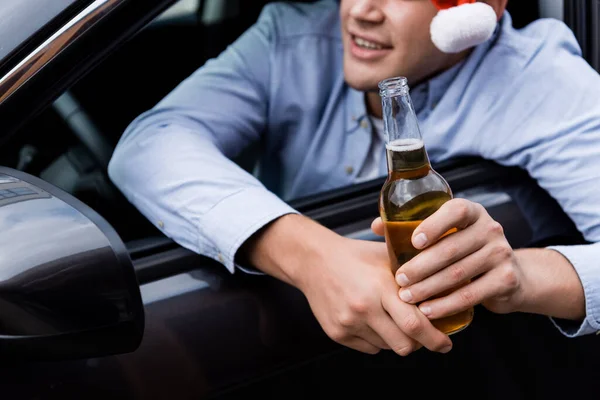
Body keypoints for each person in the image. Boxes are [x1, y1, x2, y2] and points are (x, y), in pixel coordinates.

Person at [108, 0, 600, 357]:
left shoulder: (537, 79)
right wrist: (309, 257)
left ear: (474, 8)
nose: (360, 10)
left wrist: (519, 276)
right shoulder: (290, 36)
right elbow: (151, 142)